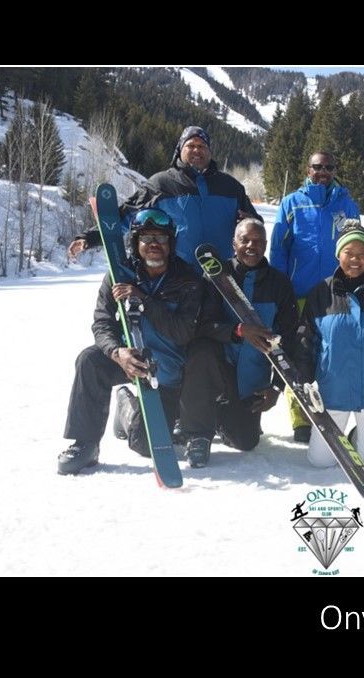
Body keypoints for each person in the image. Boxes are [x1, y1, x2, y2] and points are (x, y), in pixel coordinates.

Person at [58, 209, 206, 474]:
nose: (154, 245)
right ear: (136, 243)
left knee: (145, 445)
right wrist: (117, 353)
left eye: (161, 238)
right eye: (146, 238)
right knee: (90, 360)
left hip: (165, 369)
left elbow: (183, 332)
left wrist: (144, 301)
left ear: (171, 244)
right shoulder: (118, 274)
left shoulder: (187, 280)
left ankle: (126, 406)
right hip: (129, 357)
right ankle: (86, 443)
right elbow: (102, 322)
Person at [178, 219, 298, 468]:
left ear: (265, 245)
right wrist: (238, 330)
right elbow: (200, 325)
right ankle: (198, 434)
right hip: (218, 366)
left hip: (250, 379)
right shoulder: (216, 276)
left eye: (258, 241)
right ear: (234, 243)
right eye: (245, 240)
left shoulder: (279, 284)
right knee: (200, 351)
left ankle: (222, 415)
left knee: (245, 441)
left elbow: (291, 340)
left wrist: (275, 388)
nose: (251, 246)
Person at [294, 221, 364, 470]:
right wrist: (303, 391)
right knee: (320, 462)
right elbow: (305, 343)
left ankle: (361, 435)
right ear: (339, 254)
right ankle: (346, 437)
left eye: (362, 254)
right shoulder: (320, 293)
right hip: (331, 391)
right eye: (349, 253)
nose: (355, 259)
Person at [69, 125, 261, 266]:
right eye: (191, 145)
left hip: (222, 278)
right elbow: (125, 215)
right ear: (180, 150)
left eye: (202, 146)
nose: (197, 150)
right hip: (177, 277)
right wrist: (90, 238)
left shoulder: (231, 187)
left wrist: (252, 222)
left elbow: (255, 224)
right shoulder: (161, 183)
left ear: (209, 152)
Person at [270, 151, 361, 443]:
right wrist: (280, 287)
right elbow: (279, 250)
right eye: (317, 167)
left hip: (336, 293)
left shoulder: (346, 204)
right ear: (307, 169)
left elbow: (356, 247)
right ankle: (301, 420)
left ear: (335, 170)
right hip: (298, 293)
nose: (323, 172)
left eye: (329, 167)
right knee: (298, 355)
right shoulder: (292, 203)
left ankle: (330, 413)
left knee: (331, 355)